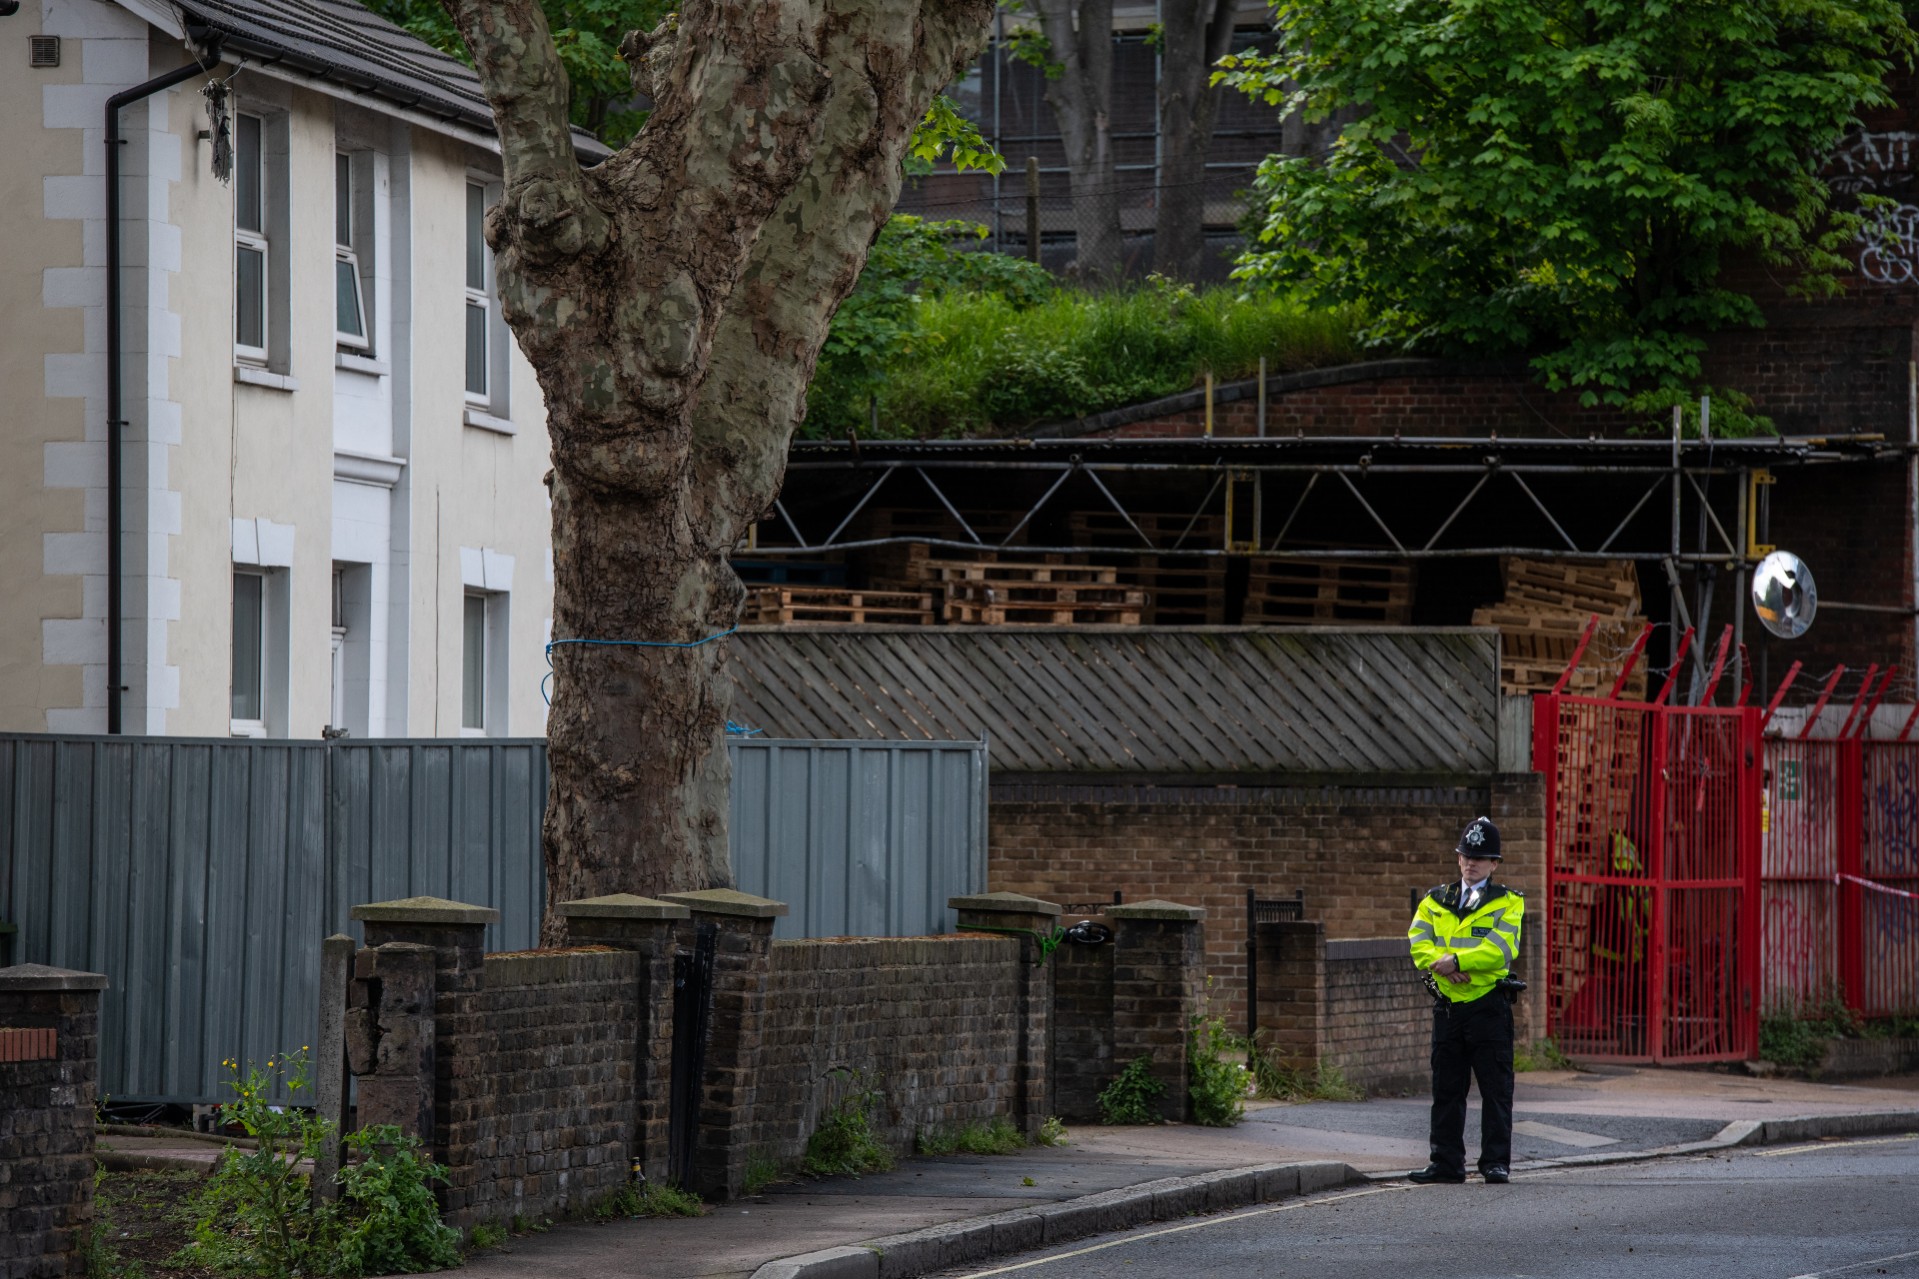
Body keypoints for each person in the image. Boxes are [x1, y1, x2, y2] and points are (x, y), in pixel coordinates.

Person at [1406, 815, 1524, 1185]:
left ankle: (1494, 1163)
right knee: (1446, 1089)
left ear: (1494, 863)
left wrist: (1457, 960)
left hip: (1488, 1006)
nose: (1471, 863)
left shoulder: (1509, 902)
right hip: (1449, 1005)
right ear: (1458, 858)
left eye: (1480, 857)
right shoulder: (1435, 900)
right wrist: (1439, 965)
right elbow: (1417, 939)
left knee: (1496, 1090)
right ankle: (1445, 1162)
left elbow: (1501, 948)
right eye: (1465, 856)